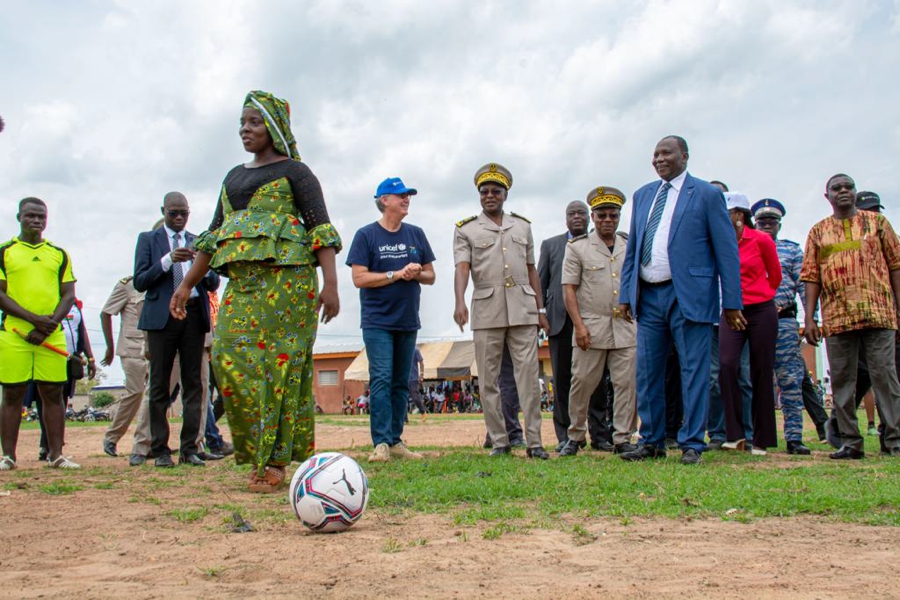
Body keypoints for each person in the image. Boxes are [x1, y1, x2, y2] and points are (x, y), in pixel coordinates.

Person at [172, 90, 341, 490]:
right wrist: (186, 284)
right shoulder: (233, 177)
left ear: (275, 127)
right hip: (243, 286)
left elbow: (321, 230)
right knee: (228, 357)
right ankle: (255, 450)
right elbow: (212, 238)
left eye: (254, 122)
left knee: (279, 369)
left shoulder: (297, 173)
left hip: (289, 283)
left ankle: (273, 461)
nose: (245, 130)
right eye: (243, 123)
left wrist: (331, 284)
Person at [618, 136, 742, 465]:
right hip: (649, 295)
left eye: (666, 153)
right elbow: (633, 250)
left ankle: (691, 443)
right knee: (647, 371)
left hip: (689, 294)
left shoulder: (706, 194)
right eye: (655, 154)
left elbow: (727, 252)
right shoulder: (643, 195)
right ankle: (651, 440)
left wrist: (731, 301)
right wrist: (625, 294)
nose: (659, 159)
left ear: (684, 156)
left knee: (694, 370)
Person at [454, 163, 549, 459]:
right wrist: (459, 301)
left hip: (523, 309)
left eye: (496, 191)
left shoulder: (523, 226)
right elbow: (462, 268)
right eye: (484, 192)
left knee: (529, 377)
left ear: (506, 194)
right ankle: (499, 441)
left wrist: (540, 307)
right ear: (479, 195)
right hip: (486, 310)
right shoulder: (466, 229)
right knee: (489, 380)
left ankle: (535, 442)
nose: (490, 196)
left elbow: (532, 269)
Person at [801, 174, 900, 459]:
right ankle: (850, 442)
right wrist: (810, 318)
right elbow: (811, 275)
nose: (844, 191)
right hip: (838, 317)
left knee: (886, 378)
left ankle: (894, 440)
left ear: (855, 192)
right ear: (827, 195)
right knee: (843, 381)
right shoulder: (818, 231)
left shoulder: (877, 223)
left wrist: (898, 308)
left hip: (878, 313)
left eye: (848, 187)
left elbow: (895, 265)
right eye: (837, 188)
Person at [347, 176, 435, 463]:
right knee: (382, 378)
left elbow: (430, 276)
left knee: (401, 381)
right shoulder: (366, 235)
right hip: (377, 322)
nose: (406, 199)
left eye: (408, 195)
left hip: (407, 320)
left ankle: (396, 441)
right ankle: (380, 443)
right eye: (400, 195)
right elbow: (359, 278)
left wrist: (414, 272)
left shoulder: (416, 234)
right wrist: (395, 274)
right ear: (384, 200)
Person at [134, 192, 220, 469]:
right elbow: (140, 281)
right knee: (159, 385)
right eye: (174, 213)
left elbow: (214, 281)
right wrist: (169, 260)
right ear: (164, 211)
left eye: (184, 213)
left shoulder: (199, 241)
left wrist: (201, 267)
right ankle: (159, 449)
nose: (180, 218)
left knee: (194, 385)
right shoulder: (149, 240)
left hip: (193, 316)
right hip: (162, 317)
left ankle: (190, 449)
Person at [0, 198, 80, 470]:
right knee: (12, 394)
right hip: (14, 333)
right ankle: (8, 457)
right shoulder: (5, 251)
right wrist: (33, 320)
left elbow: (68, 295)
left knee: (53, 392)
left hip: (51, 334)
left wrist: (50, 324)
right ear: (18, 217)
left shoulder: (58, 254)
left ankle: (56, 455)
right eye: (30, 216)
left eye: (41, 217)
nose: (36, 221)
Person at [559, 186, 637, 456]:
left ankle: (623, 437)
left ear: (619, 217)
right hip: (590, 326)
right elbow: (568, 289)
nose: (607, 220)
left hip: (626, 326)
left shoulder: (630, 244)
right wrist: (578, 325)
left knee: (626, 384)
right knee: (581, 382)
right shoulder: (578, 248)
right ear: (593, 217)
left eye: (613, 215)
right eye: (602, 215)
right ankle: (576, 435)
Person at [539, 200, 611, 451]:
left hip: (592, 321)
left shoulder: (601, 244)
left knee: (596, 380)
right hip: (560, 322)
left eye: (581, 213)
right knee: (562, 381)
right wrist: (541, 314)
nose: (577, 217)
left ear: (589, 218)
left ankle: (600, 436)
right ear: (566, 218)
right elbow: (542, 282)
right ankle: (566, 437)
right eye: (572, 213)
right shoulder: (551, 245)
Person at [752, 198, 818, 454]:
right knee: (757, 380)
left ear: (780, 224)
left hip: (785, 322)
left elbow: (803, 284)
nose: (767, 225)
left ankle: (794, 437)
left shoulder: (791, 251)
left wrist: (811, 318)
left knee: (790, 380)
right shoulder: (747, 247)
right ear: (755, 223)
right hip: (755, 322)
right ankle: (760, 436)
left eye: (772, 221)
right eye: (762, 221)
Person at [718, 193, 781, 455]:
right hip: (730, 310)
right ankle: (735, 434)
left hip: (761, 309)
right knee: (727, 365)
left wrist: (760, 296)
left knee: (761, 369)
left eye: (727, 212)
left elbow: (774, 275)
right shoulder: (718, 241)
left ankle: (761, 439)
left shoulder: (761, 240)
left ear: (740, 215)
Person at [100, 276, 148, 459]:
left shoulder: (161, 280)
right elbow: (106, 313)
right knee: (135, 393)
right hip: (132, 349)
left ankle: (148, 442)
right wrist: (110, 347)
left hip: (155, 346)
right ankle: (112, 437)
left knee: (155, 396)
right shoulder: (127, 285)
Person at [407, 346, 428, 421]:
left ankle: (423, 411)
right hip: (403, 378)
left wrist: (421, 374)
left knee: (415, 397)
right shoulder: (401, 349)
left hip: (413, 378)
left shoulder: (415, 350)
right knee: (402, 398)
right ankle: (404, 419)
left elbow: (421, 362)